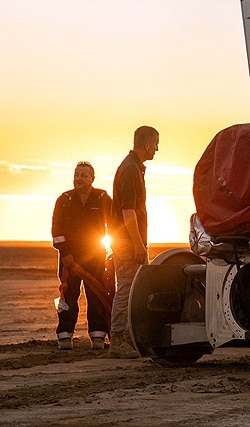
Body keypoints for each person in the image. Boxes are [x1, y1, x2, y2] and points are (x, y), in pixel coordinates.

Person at [51, 161, 114, 351]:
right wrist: (66, 255)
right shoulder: (64, 200)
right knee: (68, 296)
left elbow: (114, 224)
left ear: (92, 179)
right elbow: (56, 231)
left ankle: (97, 337)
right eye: (77, 174)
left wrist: (114, 250)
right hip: (69, 260)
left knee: (97, 296)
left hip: (95, 257)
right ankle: (64, 337)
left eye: (84, 175)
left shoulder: (102, 198)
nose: (79, 178)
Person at [108, 125, 159, 359]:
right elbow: (128, 212)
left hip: (129, 240)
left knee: (132, 290)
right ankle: (118, 339)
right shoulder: (130, 170)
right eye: (156, 144)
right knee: (127, 289)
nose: (157, 149)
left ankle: (127, 338)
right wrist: (138, 245)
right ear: (147, 144)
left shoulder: (133, 168)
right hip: (128, 242)